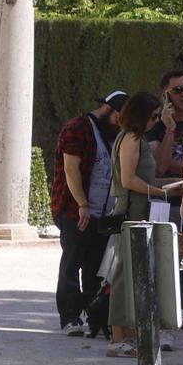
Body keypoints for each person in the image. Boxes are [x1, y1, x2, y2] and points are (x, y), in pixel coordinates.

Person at [106, 92, 183, 358]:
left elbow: (146, 178)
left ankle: (129, 334)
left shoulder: (135, 138)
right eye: (153, 117)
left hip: (141, 211)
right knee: (123, 275)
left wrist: (167, 187)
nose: (155, 122)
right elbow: (129, 180)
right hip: (131, 213)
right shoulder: (130, 138)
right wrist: (160, 192)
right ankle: (118, 337)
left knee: (135, 273)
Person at [50, 90, 124, 336]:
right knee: (72, 261)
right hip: (75, 210)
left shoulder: (113, 133)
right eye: (118, 119)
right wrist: (82, 203)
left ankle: (96, 320)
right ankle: (70, 317)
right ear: (107, 110)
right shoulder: (77, 129)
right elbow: (71, 170)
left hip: (102, 212)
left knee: (96, 266)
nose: (120, 126)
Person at [148, 57, 183, 179]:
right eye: (177, 90)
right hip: (165, 195)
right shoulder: (154, 124)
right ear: (165, 95)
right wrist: (170, 129)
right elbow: (159, 168)